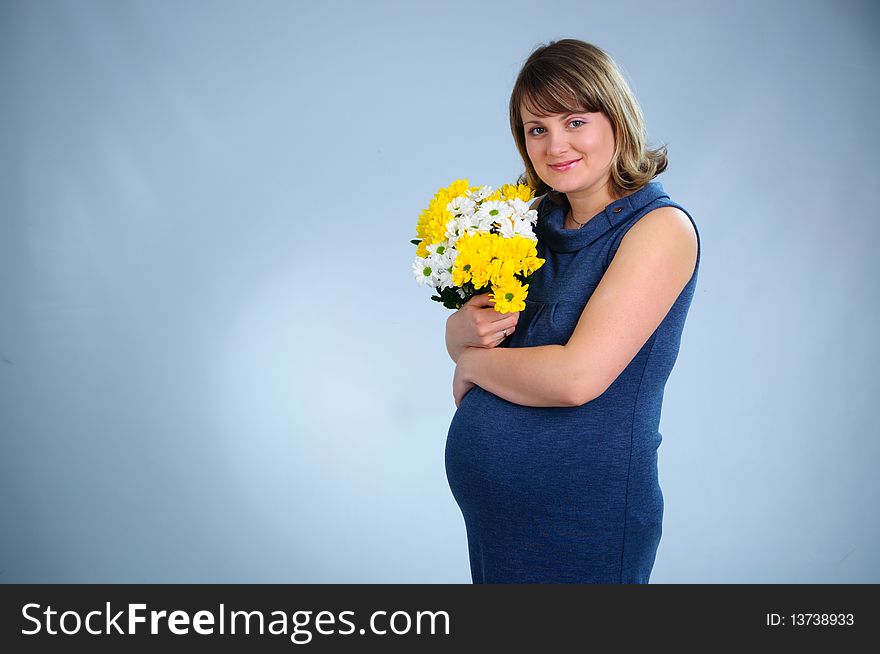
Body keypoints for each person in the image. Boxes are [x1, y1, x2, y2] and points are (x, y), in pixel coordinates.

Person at [444, 39, 700, 583]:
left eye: (575, 121)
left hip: (584, 521)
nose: (555, 144)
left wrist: (469, 363)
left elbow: (575, 378)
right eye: (537, 129)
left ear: (617, 121)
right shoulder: (527, 225)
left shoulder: (658, 229)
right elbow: (493, 341)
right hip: (500, 523)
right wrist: (459, 332)